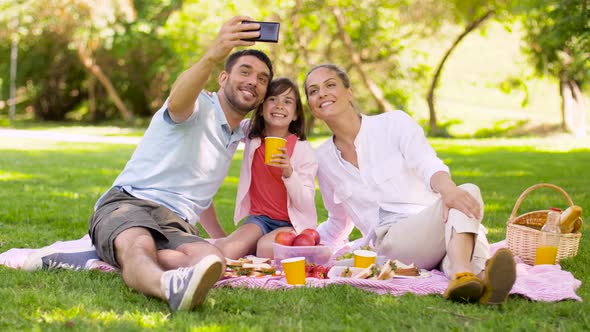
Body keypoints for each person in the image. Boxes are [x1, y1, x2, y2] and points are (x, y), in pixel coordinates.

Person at [24, 16, 274, 311]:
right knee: (138, 245)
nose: (252, 82)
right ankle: (169, 287)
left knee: (212, 261)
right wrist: (213, 53)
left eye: (261, 79)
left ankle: (98, 257)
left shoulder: (235, 134)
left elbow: (198, 186)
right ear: (222, 78)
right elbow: (179, 101)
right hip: (130, 202)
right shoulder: (198, 105)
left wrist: (218, 237)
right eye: (245, 71)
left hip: (176, 223)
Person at [303, 64, 516, 304]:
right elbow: (338, 221)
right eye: (313, 91)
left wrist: (447, 190)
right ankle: (467, 274)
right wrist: (305, 246)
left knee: (460, 207)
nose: (322, 93)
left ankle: (475, 280)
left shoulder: (394, 123)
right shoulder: (322, 159)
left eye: (330, 85)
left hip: (442, 225)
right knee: (466, 201)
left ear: (349, 92)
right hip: (393, 242)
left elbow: (427, 163)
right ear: (312, 106)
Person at [216, 77, 318, 259]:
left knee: (265, 249)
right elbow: (226, 120)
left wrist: (289, 172)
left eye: (287, 101)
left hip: (291, 222)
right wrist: (217, 97)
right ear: (262, 109)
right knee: (227, 251)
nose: (279, 105)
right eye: (272, 99)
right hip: (259, 219)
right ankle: (251, 245)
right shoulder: (250, 134)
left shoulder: (303, 150)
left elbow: (305, 202)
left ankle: (263, 246)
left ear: (295, 114)